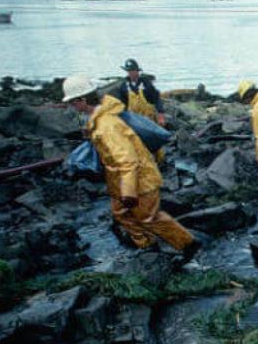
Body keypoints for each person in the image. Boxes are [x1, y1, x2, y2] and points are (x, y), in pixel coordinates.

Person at [61, 74, 198, 259]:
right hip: (120, 179)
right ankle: (147, 246)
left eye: (72, 102)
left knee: (148, 218)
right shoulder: (98, 120)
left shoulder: (107, 125)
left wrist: (128, 192)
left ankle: (188, 245)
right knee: (121, 214)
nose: (72, 106)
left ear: (82, 100)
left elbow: (127, 160)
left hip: (138, 179)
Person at [114, 59, 165, 127]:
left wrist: (160, 115)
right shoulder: (124, 86)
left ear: (137, 71)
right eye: (129, 71)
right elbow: (122, 105)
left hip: (149, 119)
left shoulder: (146, 83)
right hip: (134, 120)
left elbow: (157, 98)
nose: (131, 73)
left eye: (132, 70)